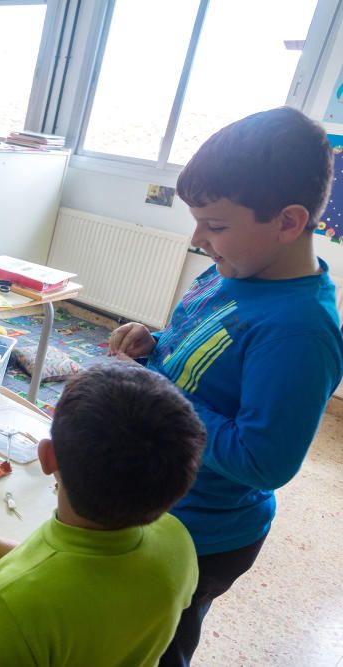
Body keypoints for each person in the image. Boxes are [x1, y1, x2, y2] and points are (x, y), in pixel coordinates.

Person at [108, 106, 343, 665]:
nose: (198, 239)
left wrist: (158, 400)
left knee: (152, 650)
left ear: (288, 222)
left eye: (214, 225)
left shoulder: (300, 331)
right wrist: (154, 343)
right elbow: (200, 349)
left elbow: (264, 461)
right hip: (157, 500)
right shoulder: (231, 268)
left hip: (202, 533)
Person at [0, 364, 206, 666]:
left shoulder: (17, 601)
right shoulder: (179, 542)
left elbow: (69, 590)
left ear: (46, 456)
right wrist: (6, 551)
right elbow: (98, 585)